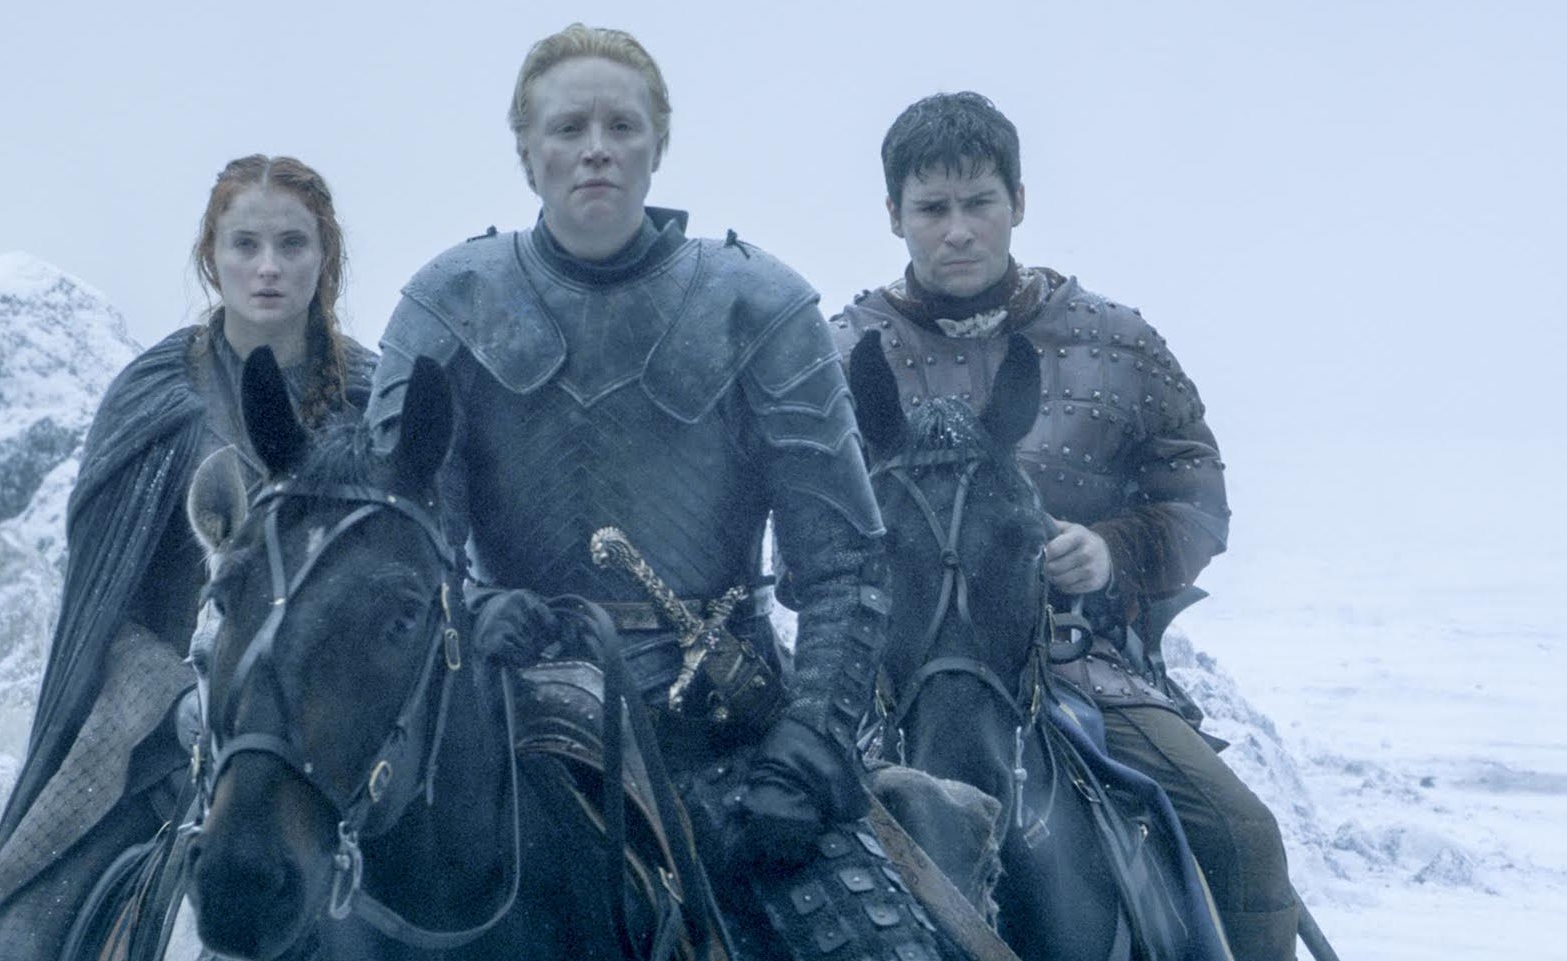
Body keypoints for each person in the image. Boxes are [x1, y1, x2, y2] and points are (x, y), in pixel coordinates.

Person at [367, 23, 948, 960]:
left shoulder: (760, 305)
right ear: (527, 151)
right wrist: (470, 609)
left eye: (621, 126)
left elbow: (844, 565)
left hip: (722, 743)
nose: (595, 148)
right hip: (500, 740)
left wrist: (807, 750)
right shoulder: (447, 304)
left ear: (657, 144)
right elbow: (396, 546)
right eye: (568, 128)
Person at [829, 91, 1298, 960]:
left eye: (980, 202)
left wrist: (1111, 551)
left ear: (1018, 202)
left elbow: (1197, 499)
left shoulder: (1114, 341)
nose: (958, 230)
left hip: (1083, 664)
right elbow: (798, 523)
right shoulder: (838, 351)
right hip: (884, 679)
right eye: (932, 208)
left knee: (1243, 836)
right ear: (894, 214)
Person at [0, 155, 378, 961]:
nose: (268, 266)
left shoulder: (372, 400)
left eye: (292, 244)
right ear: (210, 255)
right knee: (19, 935)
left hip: (332, 732)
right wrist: (181, 698)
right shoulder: (154, 399)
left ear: (325, 256)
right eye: (245, 243)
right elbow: (101, 608)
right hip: (157, 724)